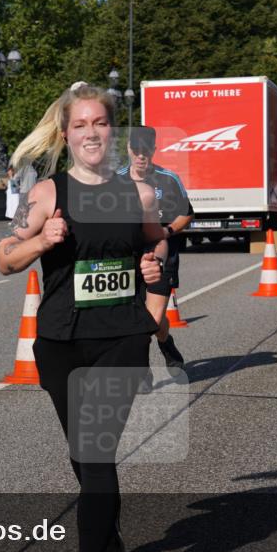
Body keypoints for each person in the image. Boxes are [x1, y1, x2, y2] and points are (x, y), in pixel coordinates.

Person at [0, 82, 167, 552]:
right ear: (66, 134)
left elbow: (157, 237)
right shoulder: (47, 194)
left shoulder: (138, 194)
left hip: (121, 337)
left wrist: (152, 266)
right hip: (61, 342)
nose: (91, 132)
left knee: (95, 454)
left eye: (99, 123)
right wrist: (40, 241)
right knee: (83, 454)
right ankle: (107, 535)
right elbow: (4, 256)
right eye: (80, 124)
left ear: (112, 129)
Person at [117, 126, 195, 371]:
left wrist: (166, 231)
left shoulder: (168, 179)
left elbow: (186, 214)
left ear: (154, 150)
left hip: (162, 256)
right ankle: (142, 366)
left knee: (154, 318)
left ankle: (164, 342)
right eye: (137, 151)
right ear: (129, 149)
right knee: (131, 315)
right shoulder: (115, 180)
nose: (141, 156)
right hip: (128, 257)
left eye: (146, 152)